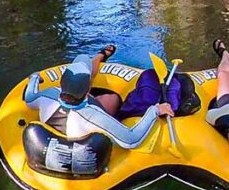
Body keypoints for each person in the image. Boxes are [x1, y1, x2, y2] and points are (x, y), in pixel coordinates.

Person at [23, 44, 174, 149]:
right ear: (88, 90)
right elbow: (132, 139)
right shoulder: (95, 117)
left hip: (61, 116)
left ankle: (100, 56)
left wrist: (35, 78)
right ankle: (99, 57)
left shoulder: (48, 95)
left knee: (82, 59)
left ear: (62, 84)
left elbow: (29, 98)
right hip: (83, 123)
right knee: (113, 99)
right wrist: (155, 110)